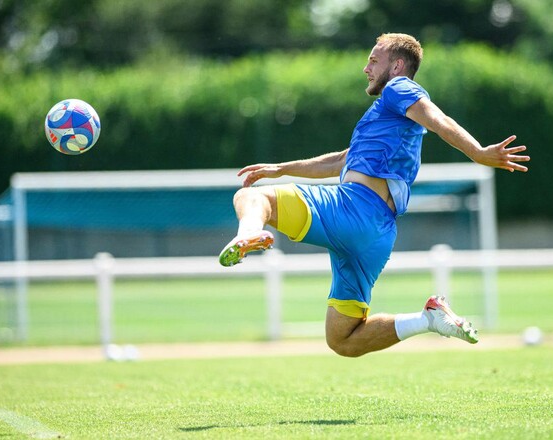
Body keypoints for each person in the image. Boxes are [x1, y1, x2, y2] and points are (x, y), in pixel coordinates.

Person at [219, 33, 530, 357]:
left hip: (354, 207)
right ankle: (429, 318)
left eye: (373, 60)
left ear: (396, 65)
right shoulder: (386, 119)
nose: (366, 68)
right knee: (343, 339)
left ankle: (251, 234)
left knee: (252, 199)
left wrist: (478, 151)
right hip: (378, 233)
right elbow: (341, 159)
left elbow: (438, 119)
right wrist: (282, 168)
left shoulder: (398, 88)